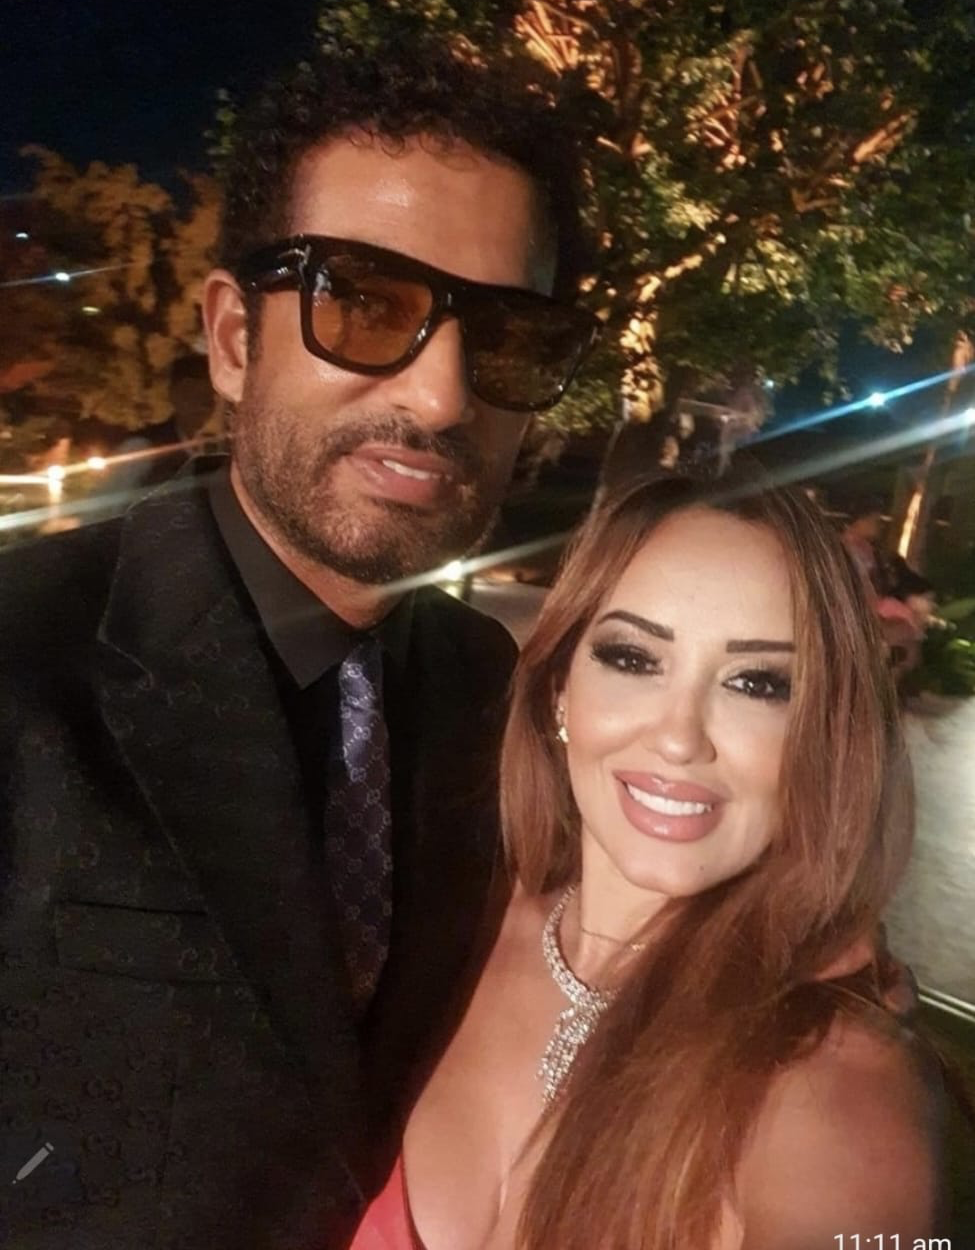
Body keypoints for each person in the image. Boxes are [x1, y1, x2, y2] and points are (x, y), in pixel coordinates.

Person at [0, 41, 598, 1248]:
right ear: (233, 339)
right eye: (364, 301)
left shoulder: (490, 690)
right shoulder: (25, 663)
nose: (441, 396)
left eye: (506, 337)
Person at [352, 471, 943, 1250]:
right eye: (633, 659)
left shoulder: (828, 1085)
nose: (677, 737)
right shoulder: (445, 926)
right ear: (559, 691)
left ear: (826, 736)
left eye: (756, 682)